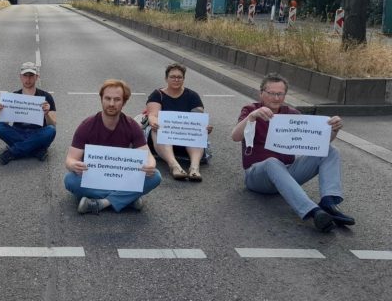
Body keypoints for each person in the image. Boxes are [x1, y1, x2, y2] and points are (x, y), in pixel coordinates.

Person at [230, 73, 355, 232]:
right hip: (257, 175)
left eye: (280, 94)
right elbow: (235, 136)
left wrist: (333, 130)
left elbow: (316, 145)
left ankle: (328, 202)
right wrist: (252, 117)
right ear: (261, 93)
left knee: (331, 151)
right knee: (272, 162)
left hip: (287, 172)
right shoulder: (251, 110)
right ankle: (313, 211)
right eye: (271, 93)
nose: (276, 98)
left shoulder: (292, 114)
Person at [64, 79, 161, 214]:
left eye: (117, 99)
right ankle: (128, 199)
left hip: (120, 178)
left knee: (155, 176)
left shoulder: (131, 125)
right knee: (70, 180)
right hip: (94, 179)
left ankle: (102, 203)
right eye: (107, 98)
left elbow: (148, 156)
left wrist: (150, 165)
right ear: (101, 99)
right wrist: (74, 165)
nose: (111, 103)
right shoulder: (87, 125)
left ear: (124, 102)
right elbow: (70, 159)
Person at [145, 63, 212, 182]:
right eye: (172, 77)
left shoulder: (192, 96)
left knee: (197, 131)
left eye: (179, 77)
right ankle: (174, 165)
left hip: (184, 138)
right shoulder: (157, 94)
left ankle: (194, 167)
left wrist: (204, 127)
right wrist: (154, 122)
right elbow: (153, 115)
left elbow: (197, 118)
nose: (176, 79)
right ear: (166, 79)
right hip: (162, 139)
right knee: (158, 129)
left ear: (183, 79)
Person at [0, 62, 56, 164]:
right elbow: (4, 123)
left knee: (51, 131)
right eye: (25, 76)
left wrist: (46, 113)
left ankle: (13, 152)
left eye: (31, 76)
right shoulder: (13, 96)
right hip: (18, 132)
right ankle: (35, 150)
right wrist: (0, 111)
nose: (28, 79)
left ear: (36, 77)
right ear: (20, 77)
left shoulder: (46, 96)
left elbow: (52, 124)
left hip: (38, 133)